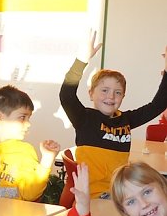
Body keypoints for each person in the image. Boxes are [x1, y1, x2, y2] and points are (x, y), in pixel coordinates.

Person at [60, 31, 167, 198]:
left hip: (119, 194)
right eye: (104, 90)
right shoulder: (84, 118)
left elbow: (158, 105)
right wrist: (81, 61)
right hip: (93, 196)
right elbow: (66, 95)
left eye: (117, 92)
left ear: (123, 97)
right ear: (91, 94)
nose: (111, 96)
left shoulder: (125, 120)